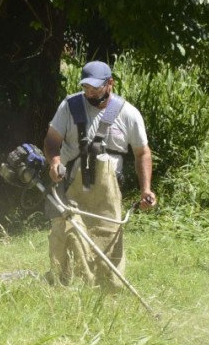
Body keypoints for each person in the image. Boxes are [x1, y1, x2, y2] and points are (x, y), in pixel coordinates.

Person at [43, 61, 157, 290]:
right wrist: (54, 163)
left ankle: (108, 291)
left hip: (107, 193)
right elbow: (51, 140)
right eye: (85, 87)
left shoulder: (128, 114)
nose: (89, 93)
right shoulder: (69, 106)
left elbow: (142, 153)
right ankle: (62, 286)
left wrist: (145, 189)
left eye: (95, 88)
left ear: (110, 84)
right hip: (71, 186)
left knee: (109, 240)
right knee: (66, 234)